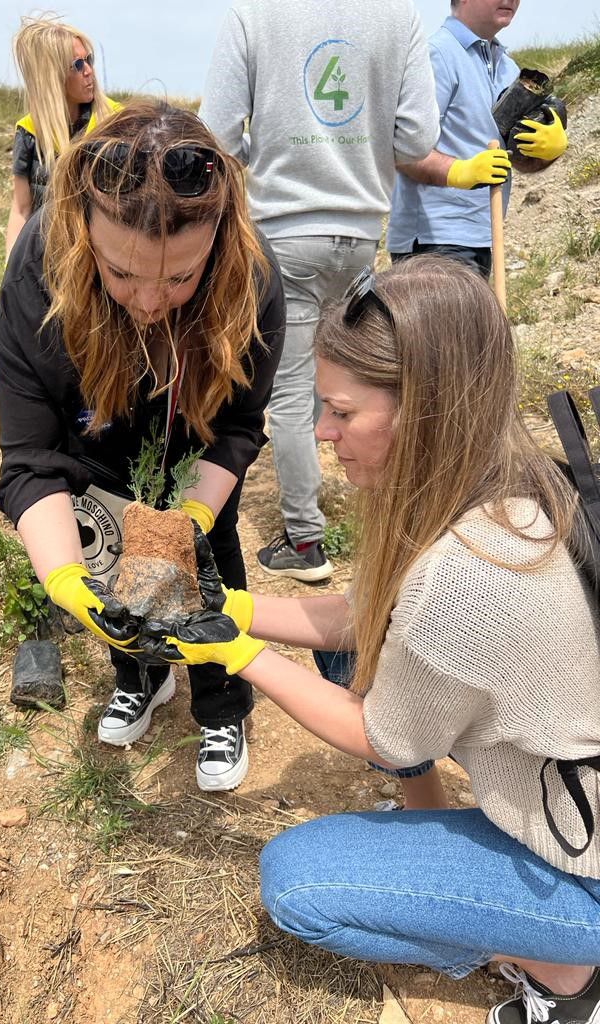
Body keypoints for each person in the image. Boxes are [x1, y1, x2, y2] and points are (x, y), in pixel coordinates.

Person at [139, 258, 600, 1024]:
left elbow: (378, 738)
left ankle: (565, 974)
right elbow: (365, 616)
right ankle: (445, 843)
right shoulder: (505, 480)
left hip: (586, 863)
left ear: (422, 408)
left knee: (299, 884)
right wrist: (225, 605)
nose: (322, 433)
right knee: (351, 658)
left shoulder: (469, 575)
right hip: (565, 770)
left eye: (341, 413)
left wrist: (230, 651)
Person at [0, 102, 285, 792]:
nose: (150, 301)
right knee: (109, 551)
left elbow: (240, 425)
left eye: (181, 277)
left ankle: (220, 702)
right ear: (83, 229)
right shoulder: (38, 273)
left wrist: (193, 519)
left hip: (196, 434)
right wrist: (66, 581)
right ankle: (141, 675)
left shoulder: (255, 275)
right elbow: (32, 460)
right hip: (95, 430)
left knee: (207, 557)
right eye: (121, 272)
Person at [199, 0, 439, 583]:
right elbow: (417, 137)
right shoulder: (398, 17)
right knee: (362, 381)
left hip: (284, 233)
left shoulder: (253, 15)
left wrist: (273, 156)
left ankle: (304, 542)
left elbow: (217, 134)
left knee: (289, 391)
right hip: (359, 233)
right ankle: (394, 526)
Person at [387, 0, 568, 277]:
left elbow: (514, 162)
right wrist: (460, 171)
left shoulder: (508, 69)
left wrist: (548, 152)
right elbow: (403, 150)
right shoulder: (437, 56)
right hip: (433, 242)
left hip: (481, 237)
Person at [4, 15, 121, 259]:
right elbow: (21, 209)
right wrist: (11, 273)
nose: (89, 71)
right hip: (46, 262)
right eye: (77, 65)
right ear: (52, 76)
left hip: (102, 264)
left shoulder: (117, 122)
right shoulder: (28, 131)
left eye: (89, 60)